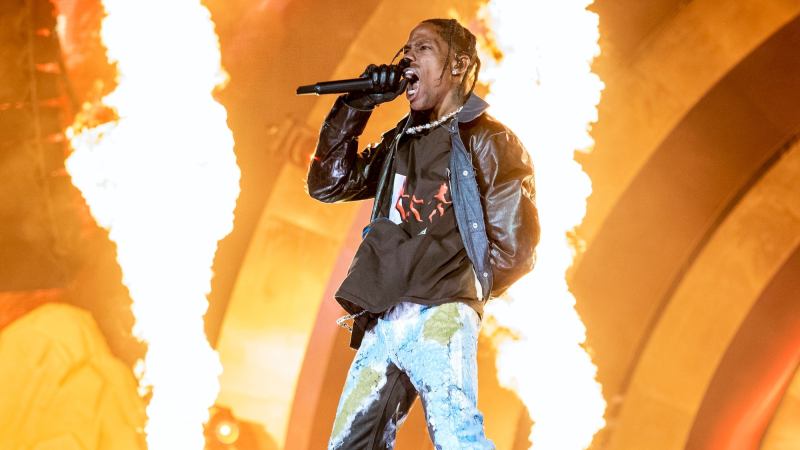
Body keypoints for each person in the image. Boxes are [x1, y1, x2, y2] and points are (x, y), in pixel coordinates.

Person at [306, 18, 540, 450]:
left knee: (456, 438)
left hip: (442, 313)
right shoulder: (402, 140)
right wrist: (357, 104)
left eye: (423, 47)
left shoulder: (489, 140)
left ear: (458, 65)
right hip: (385, 316)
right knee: (349, 444)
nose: (407, 56)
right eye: (406, 48)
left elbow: (516, 249)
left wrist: (456, 290)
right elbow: (329, 184)